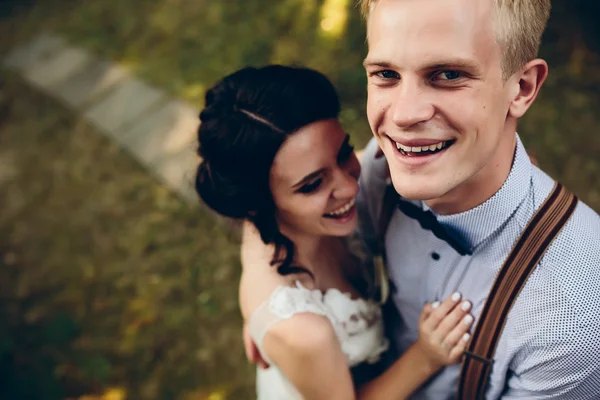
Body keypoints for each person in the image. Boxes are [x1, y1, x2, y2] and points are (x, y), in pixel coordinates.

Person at [243, 0, 600, 398]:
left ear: (522, 88)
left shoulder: (574, 320)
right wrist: (266, 308)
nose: (403, 116)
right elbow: (275, 202)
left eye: (447, 74)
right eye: (386, 74)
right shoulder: (380, 172)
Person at [195, 65, 475, 399]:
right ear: (257, 206)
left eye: (343, 153)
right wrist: (425, 357)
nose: (349, 186)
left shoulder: (272, 220)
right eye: (313, 184)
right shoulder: (300, 329)